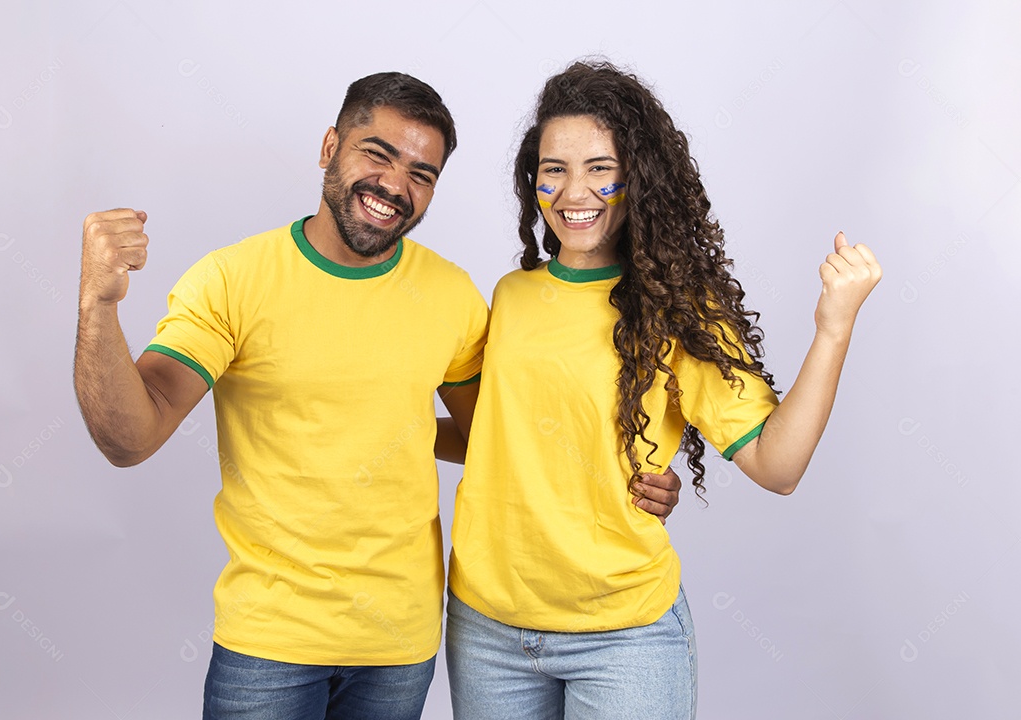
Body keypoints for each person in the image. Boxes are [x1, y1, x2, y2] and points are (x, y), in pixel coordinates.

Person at [74, 71, 680, 720]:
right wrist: (98, 304)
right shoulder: (231, 280)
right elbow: (130, 438)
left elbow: (495, 435)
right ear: (329, 146)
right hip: (269, 641)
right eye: (377, 154)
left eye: (422, 174)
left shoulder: (450, 295)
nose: (395, 185)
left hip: (400, 647)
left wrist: (629, 465)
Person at [445, 61, 882, 720]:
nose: (573, 191)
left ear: (640, 177)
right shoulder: (511, 296)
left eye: (600, 168)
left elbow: (779, 466)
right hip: (487, 630)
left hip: (624, 637)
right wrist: (387, 431)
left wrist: (833, 328)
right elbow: (496, 439)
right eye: (554, 169)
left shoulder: (677, 309)